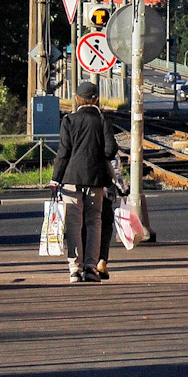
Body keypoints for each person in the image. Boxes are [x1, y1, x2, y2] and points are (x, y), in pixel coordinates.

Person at [50, 81, 118, 283]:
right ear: (96, 99)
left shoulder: (69, 120)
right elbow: (110, 150)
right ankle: (90, 268)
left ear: (77, 99)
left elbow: (63, 153)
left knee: (73, 223)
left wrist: (55, 179)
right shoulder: (102, 120)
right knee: (94, 222)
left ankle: (74, 269)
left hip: (71, 178)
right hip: (96, 179)